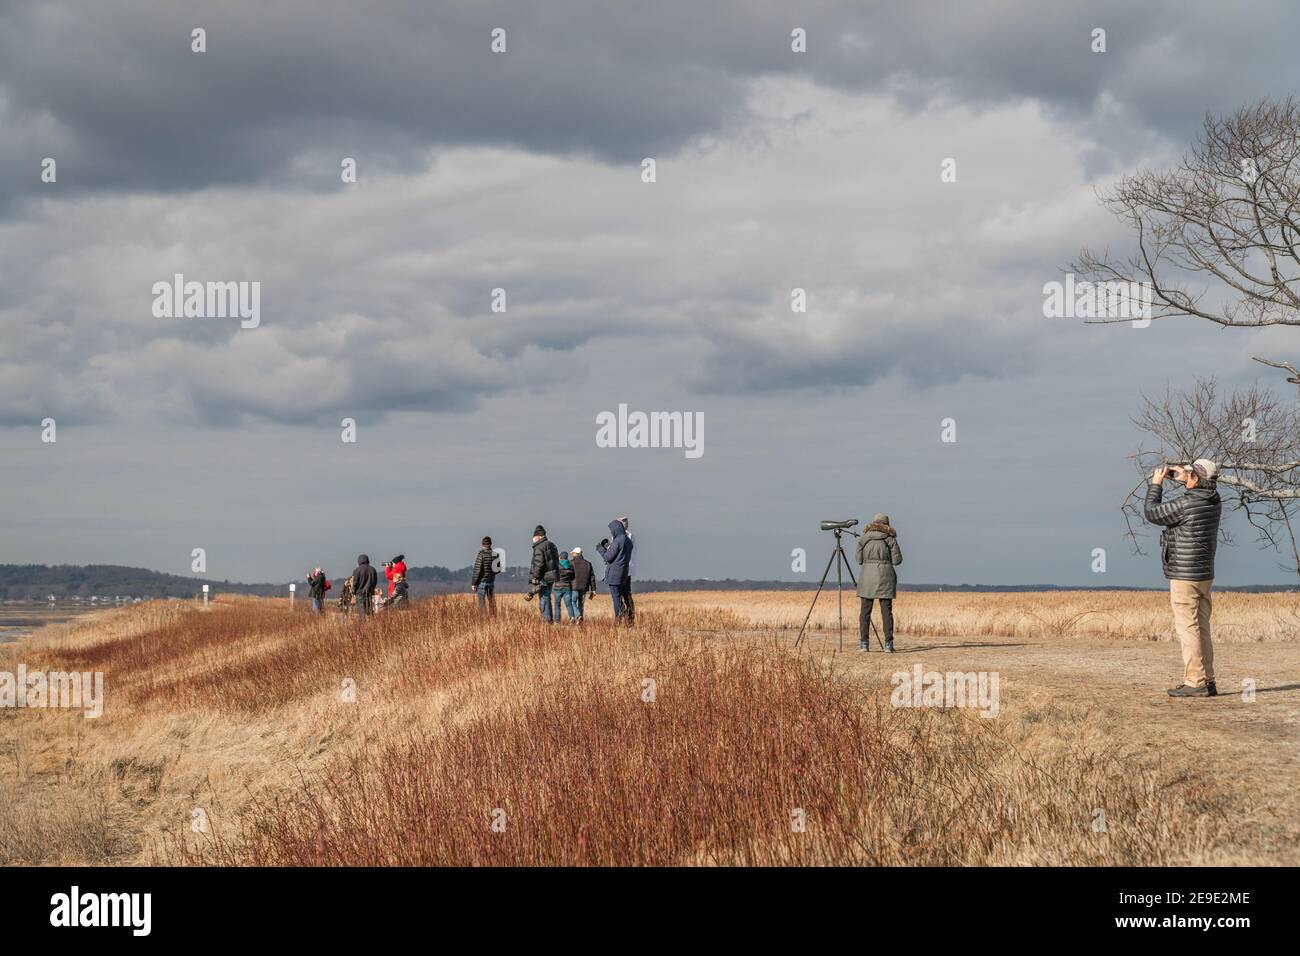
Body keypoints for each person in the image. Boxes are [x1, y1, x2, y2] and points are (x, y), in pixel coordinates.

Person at [1146, 459, 1222, 698]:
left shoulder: (1187, 503)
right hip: (1204, 574)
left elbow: (1153, 513)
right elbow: (1200, 488)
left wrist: (1156, 485)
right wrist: (1183, 477)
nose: (1185, 476)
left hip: (1184, 574)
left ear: (1196, 479)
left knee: (1187, 628)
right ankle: (1208, 680)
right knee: (1202, 627)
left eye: (1190, 474)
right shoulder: (1214, 500)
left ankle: (1195, 681)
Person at [856, 513, 902, 653]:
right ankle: (888, 644)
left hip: (867, 577)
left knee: (865, 611)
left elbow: (859, 559)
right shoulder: (890, 539)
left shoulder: (863, 539)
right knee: (886, 611)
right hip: (885, 577)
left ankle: (864, 644)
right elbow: (897, 561)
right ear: (886, 525)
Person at [597, 519, 634, 624]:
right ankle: (627, 618)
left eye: (612, 530)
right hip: (624, 572)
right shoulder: (628, 541)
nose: (611, 532)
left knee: (616, 598)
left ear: (616, 529)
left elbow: (608, 557)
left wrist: (600, 548)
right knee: (623, 596)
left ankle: (618, 620)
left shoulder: (618, 540)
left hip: (615, 573)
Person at [529, 525, 560, 622]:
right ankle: (549, 620)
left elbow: (539, 563)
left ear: (538, 536)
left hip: (543, 577)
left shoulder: (539, 547)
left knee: (544, 599)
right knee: (547, 597)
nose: (533, 539)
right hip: (551, 576)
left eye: (534, 537)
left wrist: (535, 577)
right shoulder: (552, 545)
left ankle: (546, 621)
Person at [470, 536, 498, 615]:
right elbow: (498, 570)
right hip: (491, 582)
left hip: (482, 582)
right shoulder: (495, 555)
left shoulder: (481, 554)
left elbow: (477, 570)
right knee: (492, 602)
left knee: (482, 604)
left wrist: (474, 583)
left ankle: (483, 621)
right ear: (490, 544)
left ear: (482, 544)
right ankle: (493, 619)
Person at [569, 546, 596, 623]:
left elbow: (568, 575)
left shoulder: (571, 563)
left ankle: (578, 615)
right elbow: (592, 577)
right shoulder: (588, 564)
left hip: (573, 587)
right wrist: (593, 589)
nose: (572, 555)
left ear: (575, 554)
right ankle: (579, 620)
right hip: (584, 588)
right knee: (581, 604)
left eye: (573, 553)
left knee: (572, 602)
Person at [351, 554, 378, 622]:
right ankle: (371, 625)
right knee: (369, 611)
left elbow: (355, 583)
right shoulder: (373, 569)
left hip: (360, 593)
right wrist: (372, 590)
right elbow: (375, 582)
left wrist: (353, 592)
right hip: (369, 593)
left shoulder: (357, 570)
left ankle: (362, 627)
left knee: (362, 611)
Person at [553, 552, 578, 622]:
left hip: (557, 588)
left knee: (557, 605)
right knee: (569, 604)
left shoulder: (557, 565)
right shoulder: (570, 565)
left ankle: (557, 621)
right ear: (567, 557)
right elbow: (573, 577)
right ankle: (572, 617)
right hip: (567, 587)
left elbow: (554, 576)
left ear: (560, 557)